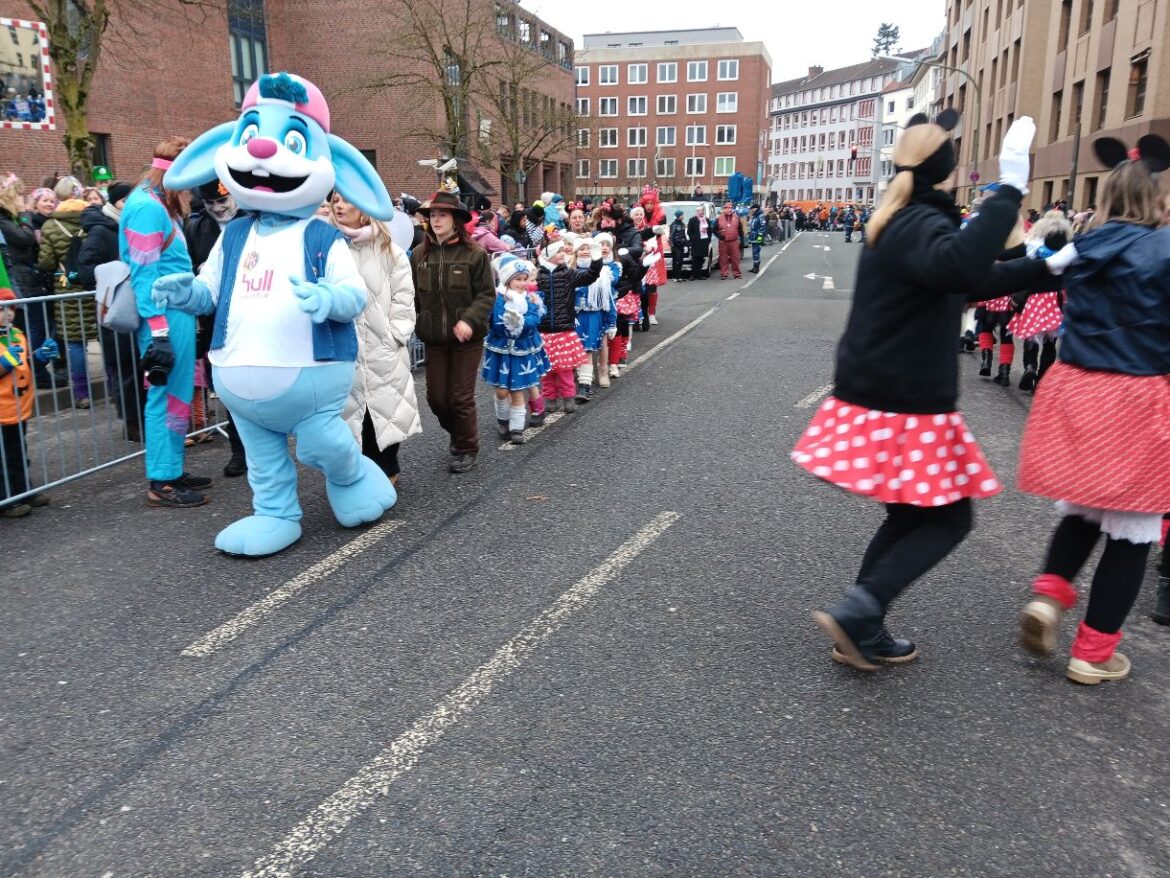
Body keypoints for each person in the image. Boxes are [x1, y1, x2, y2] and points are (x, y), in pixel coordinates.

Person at [792, 112, 1049, 670]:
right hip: (906, 398)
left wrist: (1039, 267)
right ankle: (862, 611)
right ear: (948, 171)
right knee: (949, 519)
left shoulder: (903, 219)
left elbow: (964, 279)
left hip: (882, 390)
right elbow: (959, 264)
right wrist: (1009, 189)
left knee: (910, 516)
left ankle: (862, 625)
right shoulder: (921, 224)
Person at [1015, 134, 1170, 685]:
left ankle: (1049, 597)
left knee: (1082, 508)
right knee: (1133, 529)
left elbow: (1034, 270)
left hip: (1077, 388)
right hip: (1140, 394)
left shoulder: (1083, 247)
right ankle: (1094, 652)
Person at [119, 136, 211, 507]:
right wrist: (158, 330)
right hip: (165, 317)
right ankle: (163, 480)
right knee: (165, 396)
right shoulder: (147, 207)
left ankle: (171, 468)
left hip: (176, 313)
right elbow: (144, 273)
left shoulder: (156, 202)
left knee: (177, 396)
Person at [332, 193, 422, 485]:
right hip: (343, 351)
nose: (339, 205)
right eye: (335, 199)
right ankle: (355, 481)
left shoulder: (390, 252)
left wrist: (395, 335)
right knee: (348, 416)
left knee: (382, 415)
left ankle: (385, 475)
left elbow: (404, 299)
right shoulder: (330, 249)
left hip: (382, 348)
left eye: (347, 200)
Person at [411, 190, 495, 474]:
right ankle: (458, 433)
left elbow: (486, 294)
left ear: (455, 220)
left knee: (460, 397)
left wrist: (469, 320)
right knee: (436, 398)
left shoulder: (475, 254)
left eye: (442, 215)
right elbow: (412, 296)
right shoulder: (420, 254)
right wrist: (415, 321)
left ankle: (466, 447)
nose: (436, 220)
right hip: (434, 338)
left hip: (467, 340)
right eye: (432, 215)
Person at [184, 179, 248, 474]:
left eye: (222, 202)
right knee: (228, 387)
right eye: (210, 204)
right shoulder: (197, 228)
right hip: (216, 320)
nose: (217, 209)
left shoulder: (252, 221)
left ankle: (261, 447)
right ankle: (239, 450)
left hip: (250, 315)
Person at [77, 180, 144, 441]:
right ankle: (132, 422)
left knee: (140, 366)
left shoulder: (133, 226)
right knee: (126, 368)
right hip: (116, 308)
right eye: (127, 200)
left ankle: (143, 418)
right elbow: (85, 270)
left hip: (138, 307)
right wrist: (115, 271)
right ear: (116, 203)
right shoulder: (101, 231)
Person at [37, 177, 97, 407]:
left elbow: (46, 262)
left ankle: (82, 394)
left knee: (75, 343)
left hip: (66, 288)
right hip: (92, 285)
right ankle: (113, 388)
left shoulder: (50, 226)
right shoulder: (92, 220)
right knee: (102, 335)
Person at [0, 286, 58, 517]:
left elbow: (23, 364)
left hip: (17, 408)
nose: (8, 314)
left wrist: (38, 357)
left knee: (18, 451)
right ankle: (6, 499)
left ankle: (24, 490)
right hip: (1, 411)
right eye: (2, 309)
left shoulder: (18, 334)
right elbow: (8, 364)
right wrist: (4, 363)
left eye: (10, 309)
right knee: (3, 457)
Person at [482, 253, 548, 444]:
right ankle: (503, 420)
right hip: (501, 348)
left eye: (525, 279)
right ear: (507, 280)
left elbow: (535, 319)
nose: (522, 283)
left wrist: (520, 323)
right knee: (502, 390)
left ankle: (516, 427)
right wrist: (504, 325)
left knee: (517, 388)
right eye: (518, 279)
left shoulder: (530, 299)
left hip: (521, 348)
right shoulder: (498, 299)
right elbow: (493, 321)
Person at [536, 235, 601, 412]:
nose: (563, 253)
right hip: (543, 332)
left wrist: (596, 261)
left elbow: (589, 276)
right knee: (547, 371)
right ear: (548, 255)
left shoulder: (568, 273)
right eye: (559, 251)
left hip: (564, 330)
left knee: (565, 370)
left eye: (563, 250)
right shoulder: (538, 275)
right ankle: (549, 398)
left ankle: (568, 397)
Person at [573, 234, 618, 399]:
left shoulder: (603, 272)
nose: (585, 252)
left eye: (588, 249)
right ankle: (574, 382)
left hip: (593, 316)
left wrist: (612, 322)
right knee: (574, 349)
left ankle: (585, 385)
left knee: (587, 349)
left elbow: (609, 300)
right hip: (572, 316)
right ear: (575, 252)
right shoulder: (569, 270)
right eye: (581, 249)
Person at [714, 201, 742, 280]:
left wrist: (742, 239)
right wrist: (720, 236)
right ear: (724, 209)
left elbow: (740, 229)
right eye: (727, 208)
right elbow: (714, 229)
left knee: (735, 258)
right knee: (723, 258)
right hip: (723, 242)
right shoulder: (719, 218)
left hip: (734, 241)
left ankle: (736, 274)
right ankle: (724, 274)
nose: (729, 210)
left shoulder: (736, 217)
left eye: (730, 208)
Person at [686, 206, 711, 280]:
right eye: (700, 211)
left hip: (704, 242)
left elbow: (709, 230)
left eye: (703, 211)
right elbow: (689, 232)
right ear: (697, 212)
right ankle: (694, 275)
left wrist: (708, 240)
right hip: (696, 243)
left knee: (701, 258)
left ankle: (700, 274)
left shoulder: (707, 220)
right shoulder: (692, 220)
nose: (702, 212)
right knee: (695, 259)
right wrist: (693, 239)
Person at [669, 209, 688, 282]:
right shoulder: (674, 225)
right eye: (682, 215)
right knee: (676, 261)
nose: (683, 216)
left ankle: (679, 276)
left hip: (681, 245)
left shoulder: (682, 224)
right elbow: (671, 236)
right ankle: (674, 276)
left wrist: (686, 244)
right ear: (678, 216)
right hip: (676, 246)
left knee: (680, 261)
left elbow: (684, 235)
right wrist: (672, 246)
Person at [747, 204, 766, 273]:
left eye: (752, 208)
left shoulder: (760, 216)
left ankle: (756, 267)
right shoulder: (754, 216)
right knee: (754, 252)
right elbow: (751, 227)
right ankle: (754, 266)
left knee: (756, 252)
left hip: (757, 237)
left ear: (756, 209)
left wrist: (760, 238)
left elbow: (763, 227)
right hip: (753, 237)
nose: (751, 210)